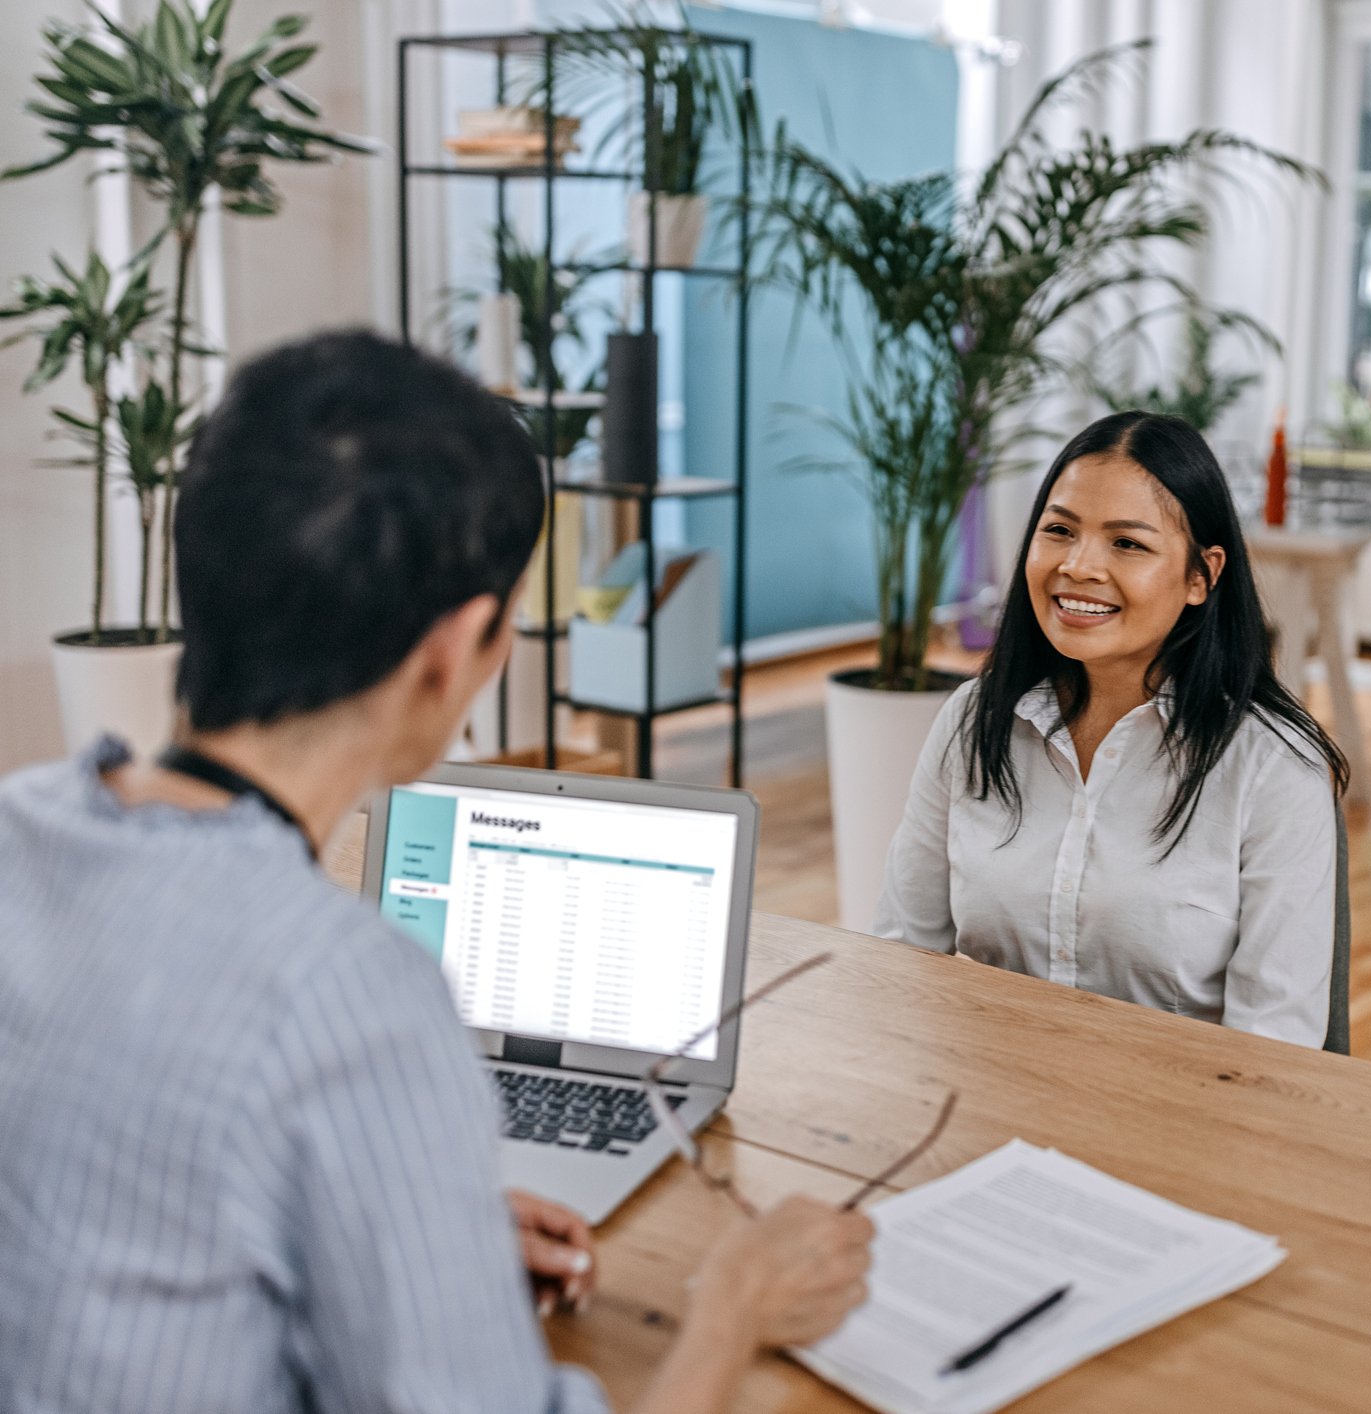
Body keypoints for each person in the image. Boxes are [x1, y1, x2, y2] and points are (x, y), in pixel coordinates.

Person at [0, 331, 873, 1413]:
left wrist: (402, 1217)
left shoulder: (19, 829)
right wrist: (735, 1304)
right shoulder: (348, 992)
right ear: (453, 652)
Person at [873, 410, 1350, 1046]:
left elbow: (1274, 1046)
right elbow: (903, 957)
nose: (1078, 566)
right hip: (982, 1099)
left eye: (1127, 543)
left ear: (1201, 577)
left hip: (1178, 1124)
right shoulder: (972, 719)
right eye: (1059, 530)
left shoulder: (1274, 766)